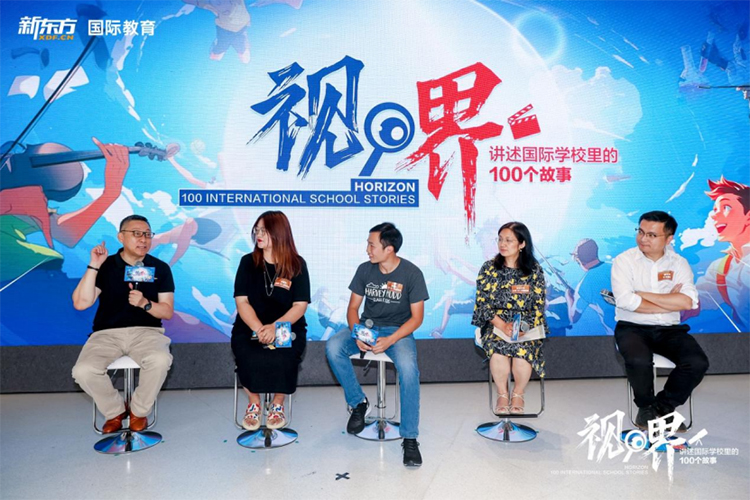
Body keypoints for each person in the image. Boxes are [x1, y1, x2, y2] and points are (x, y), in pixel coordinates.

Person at [325, 222, 428, 468]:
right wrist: (356, 333)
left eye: (372, 245)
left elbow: (417, 319)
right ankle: (358, 403)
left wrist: (391, 339)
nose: (367, 250)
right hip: (367, 328)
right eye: (368, 244)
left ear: (389, 249)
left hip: (398, 332)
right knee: (333, 347)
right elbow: (353, 308)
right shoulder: (365, 269)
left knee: (409, 370)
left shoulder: (412, 274)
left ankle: (410, 438)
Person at [72, 215, 174, 433]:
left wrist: (145, 304)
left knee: (160, 360)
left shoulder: (160, 268)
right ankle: (115, 412)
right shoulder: (106, 265)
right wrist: (94, 265)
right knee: (83, 371)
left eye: (147, 234)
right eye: (136, 234)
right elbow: (81, 303)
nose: (143, 239)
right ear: (121, 237)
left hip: (148, 332)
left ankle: (138, 412)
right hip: (106, 334)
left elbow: (167, 311)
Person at [611, 211, 708, 430]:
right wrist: (668, 300)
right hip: (632, 327)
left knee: (697, 362)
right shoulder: (624, 261)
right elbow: (626, 301)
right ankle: (645, 407)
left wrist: (642, 294)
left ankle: (662, 408)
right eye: (641, 232)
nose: (643, 239)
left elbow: (688, 301)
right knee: (638, 360)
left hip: (669, 328)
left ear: (669, 238)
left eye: (652, 235)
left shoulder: (679, 263)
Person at [231, 211, 310, 431]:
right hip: (250, 325)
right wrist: (259, 328)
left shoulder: (297, 264)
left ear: (279, 232)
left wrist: (276, 327)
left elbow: (300, 305)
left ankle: (277, 404)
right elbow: (242, 302)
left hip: (286, 325)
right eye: (256, 230)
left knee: (284, 356)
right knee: (247, 353)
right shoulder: (247, 262)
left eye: (264, 230)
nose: (258, 234)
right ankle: (254, 403)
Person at [472, 222, 548, 416]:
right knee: (499, 352)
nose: (502, 244)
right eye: (500, 239)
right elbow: (482, 303)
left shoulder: (534, 270)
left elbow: (538, 305)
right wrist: (501, 324)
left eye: (508, 240)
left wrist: (522, 327)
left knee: (522, 353)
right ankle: (502, 394)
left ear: (522, 244)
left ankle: (518, 394)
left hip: (526, 325)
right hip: (495, 324)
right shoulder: (489, 268)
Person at [696, 177, 749, 331]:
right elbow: (699, 299)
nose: (714, 215)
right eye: (714, 210)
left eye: (726, 207)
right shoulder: (720, 268)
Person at [566, 238, 615, 335]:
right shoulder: (617, 266)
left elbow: (573, 318)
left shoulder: (584, 285)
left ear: (579, 260)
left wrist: (570, 298)